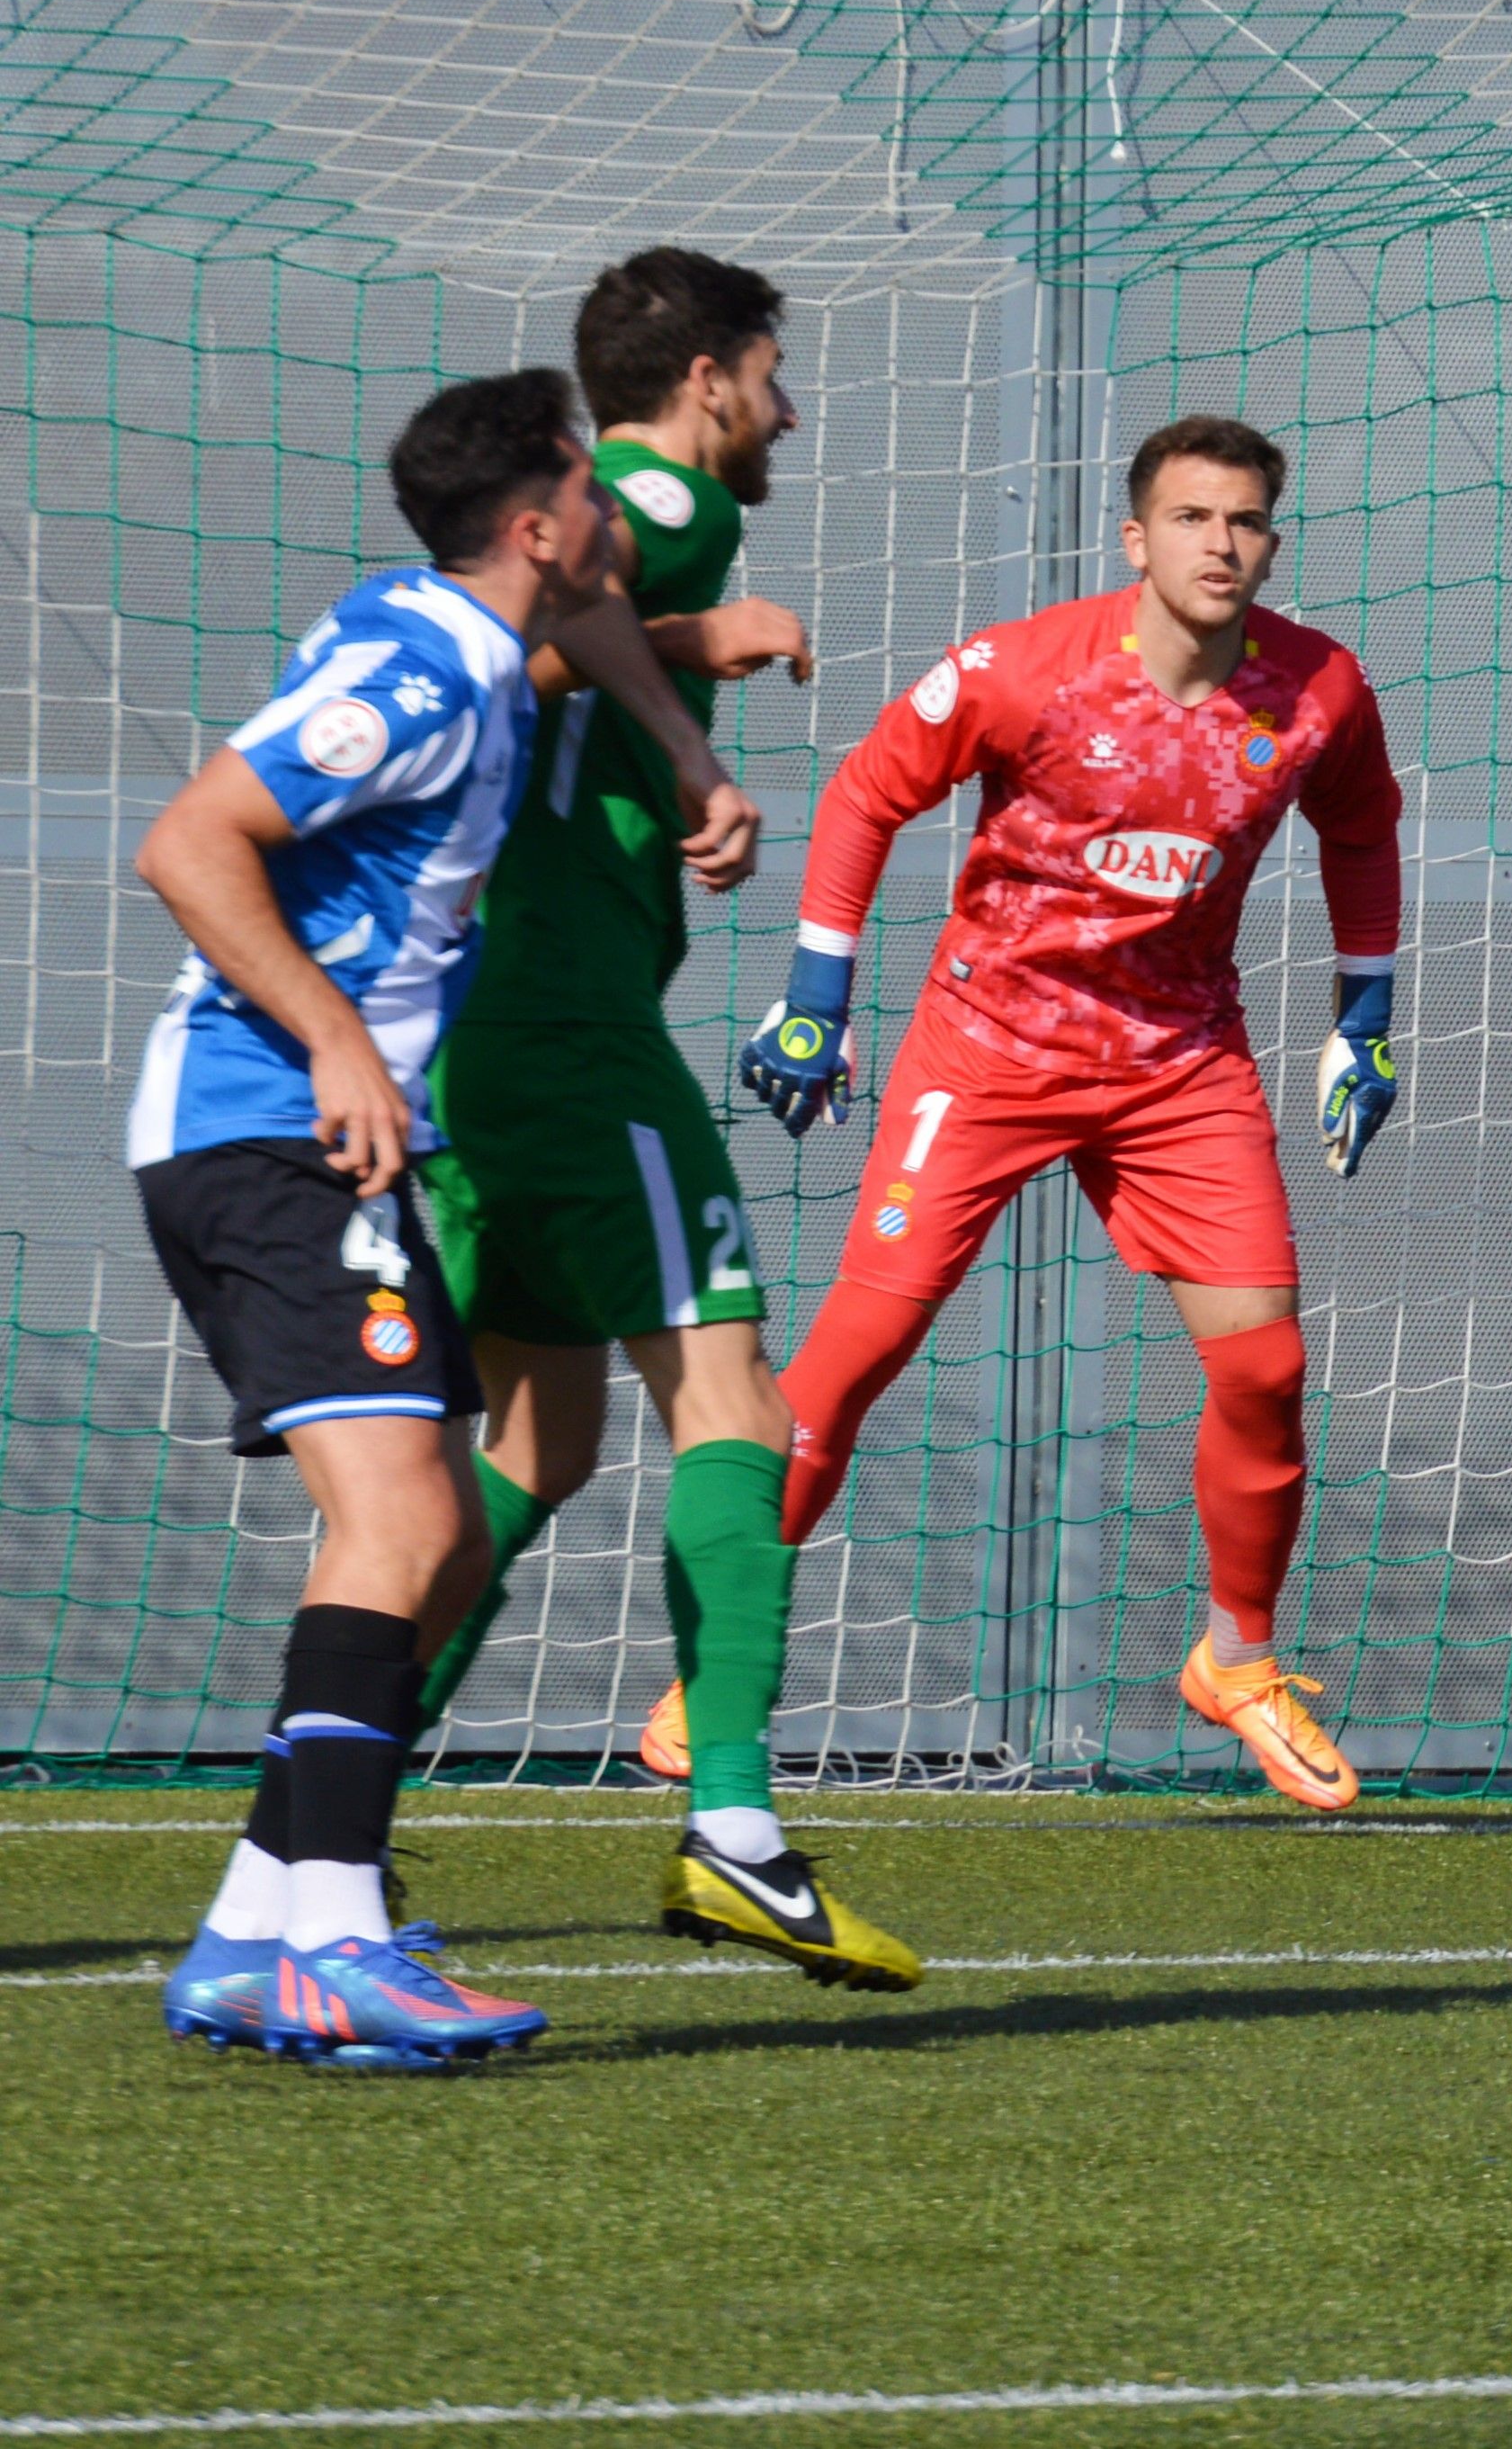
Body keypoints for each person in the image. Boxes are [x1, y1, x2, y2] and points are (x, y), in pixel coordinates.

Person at [142, 370, 716, 2065]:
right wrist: (334, 1041)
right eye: (589, 490)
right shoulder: (424, 670)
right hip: (270, 1139)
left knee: (442, 1535)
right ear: (538, 527)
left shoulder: (453, 627)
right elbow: (192, 840)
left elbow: (594, 622)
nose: (617, 508)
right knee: (399, 1524)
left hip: (329, 1150)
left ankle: (259, 1925)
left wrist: (681, 739)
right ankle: (338, 1931)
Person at [734, 415, 1406, 1811]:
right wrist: (817, 993)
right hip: (984, 1049)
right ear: (1135, 537)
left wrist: (1364, 1017)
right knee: (854, 1352)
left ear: (1271, 539)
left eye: (1246, 522)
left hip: (1178, 1063)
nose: (1221, 544)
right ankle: (721, 1661)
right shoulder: (1023, 668)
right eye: (1192, 518)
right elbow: (866, 796)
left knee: (1268, 1370)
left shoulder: (1319, 687)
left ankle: (1236, 1658)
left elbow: (1361, 828)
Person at [405, 250, 917, 1990]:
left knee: (536, 1440)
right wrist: (716, 649)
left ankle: (326, 1802)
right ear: (707, 377)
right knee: (738, 1399)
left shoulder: (621, 501)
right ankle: (741, 1832)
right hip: (568, 1024)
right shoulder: (655, 495)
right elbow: (515, 645)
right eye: (773, 372)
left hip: (500, 1029)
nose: (787, 408)